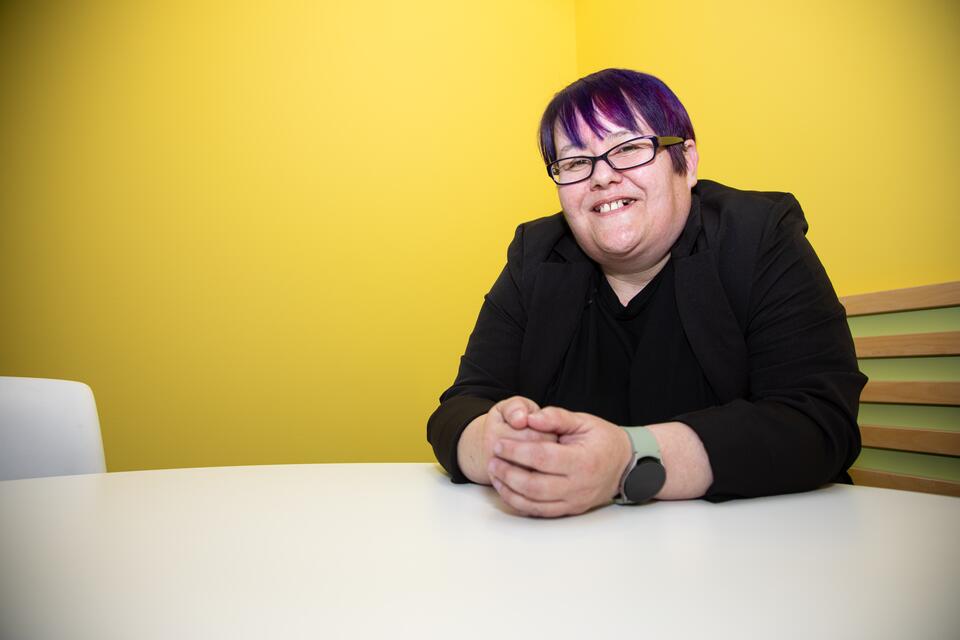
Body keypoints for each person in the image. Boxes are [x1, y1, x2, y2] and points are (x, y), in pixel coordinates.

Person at [427, 68, 866, 518]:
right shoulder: (535, 257)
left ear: (687, 162)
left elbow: (818, 422)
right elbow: (460, 407)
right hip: (571, 557)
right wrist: (496, 444)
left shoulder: (756, 236)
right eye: (577, 162)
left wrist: (628, 459)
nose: (602, 177)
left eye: (629, 149)